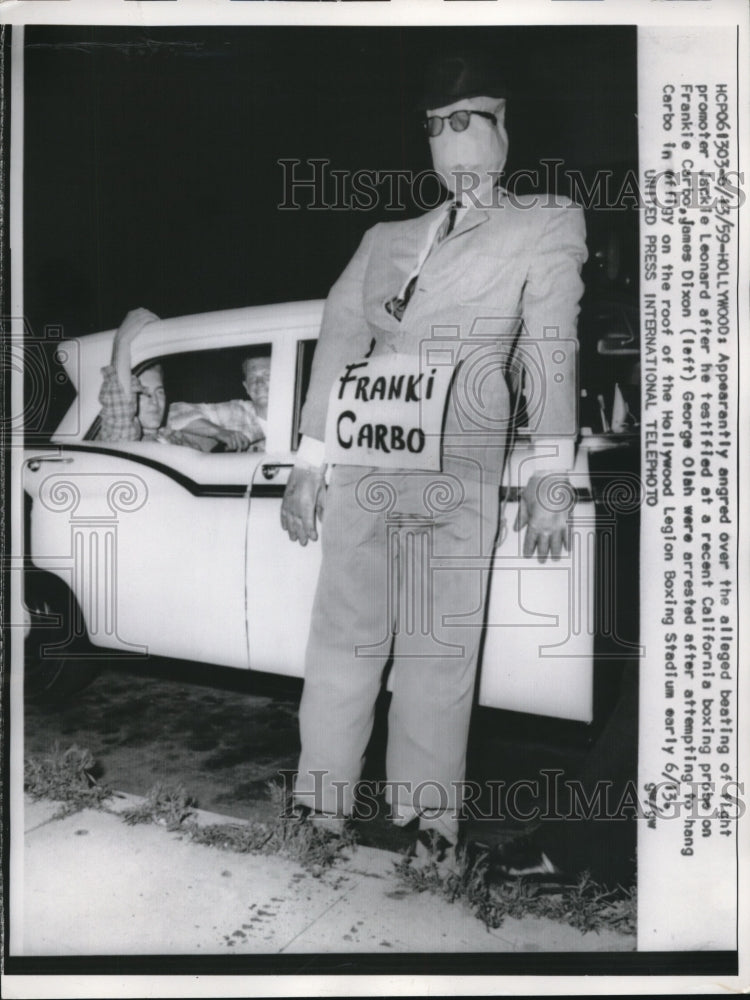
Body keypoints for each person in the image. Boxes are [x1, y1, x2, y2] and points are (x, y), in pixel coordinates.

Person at [280, 50, 587, 868]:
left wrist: (553, 467)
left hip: (459, 467)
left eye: (464, 122)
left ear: (502, 129)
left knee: (437, 650)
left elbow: (551, 342)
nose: (448, 142)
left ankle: (427, 823)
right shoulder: (384, 237)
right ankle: (321, 804)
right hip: (366, 466)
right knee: (342, 641)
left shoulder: (546, 222)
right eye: (434, 128)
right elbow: (341, 338)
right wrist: (310, 460)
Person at [98, 308, 267, 451]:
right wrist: (122, 342)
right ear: (132, 401)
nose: (155, 402)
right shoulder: (130, 444)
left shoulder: (173, 435)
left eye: (160, 392)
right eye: (144, 394)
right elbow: (118, 416)